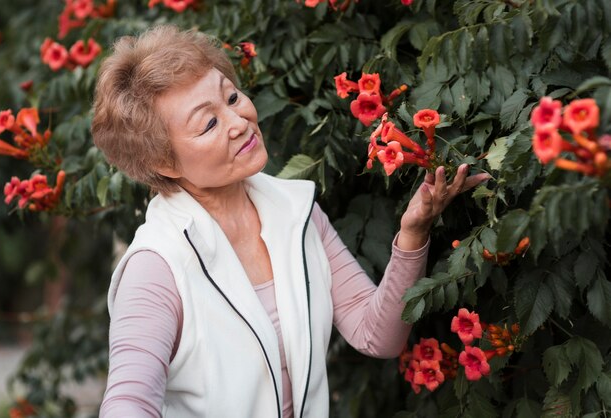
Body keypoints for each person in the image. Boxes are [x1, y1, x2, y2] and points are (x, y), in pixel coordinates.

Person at [91, 25, 489, 418]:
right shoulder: (156, 265)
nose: (238, 121)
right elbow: (128, 403)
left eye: (231, 96)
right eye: (208, 123)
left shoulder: (296, 210)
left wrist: (412, 232)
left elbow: (377, 335)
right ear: (164, 162)